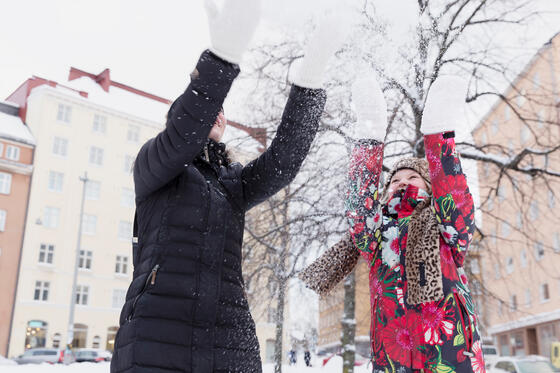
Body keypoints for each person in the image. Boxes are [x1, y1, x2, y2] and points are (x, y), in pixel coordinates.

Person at [110, 1, 348, 372]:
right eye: (210, 105)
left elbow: (283, 163)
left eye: (222, 108)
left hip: (228, 338)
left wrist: (311, 80)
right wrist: (221, 60)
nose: (217, 111)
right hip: (157, 336)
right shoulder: (153, 165)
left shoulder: (230, 182)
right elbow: (184, 134)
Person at [300, 74, 486, 373]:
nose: (403, 183)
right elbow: (359, 206)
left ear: (429, 185)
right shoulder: (376, 235)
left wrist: (438, 137)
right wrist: (370, 136)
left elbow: (453, 196)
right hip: (392, 358)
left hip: (450, 357)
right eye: (395, 180)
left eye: (413, 178)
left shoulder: (446, 227)